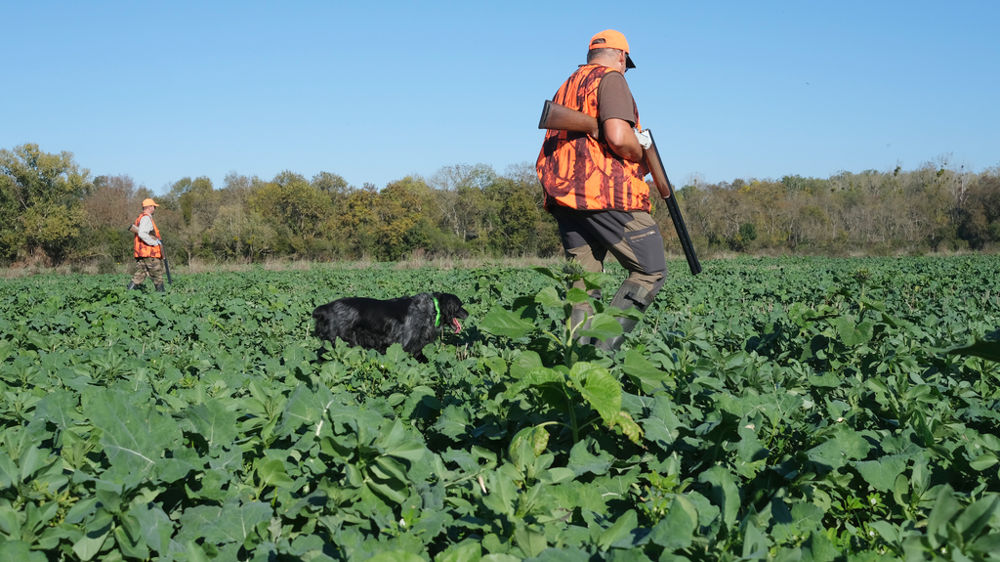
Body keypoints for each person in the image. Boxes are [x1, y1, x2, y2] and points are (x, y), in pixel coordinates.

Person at [536, 29, 666, 351]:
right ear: (622, 56)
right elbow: (619, 136)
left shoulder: (567, 86)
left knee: (583, 283)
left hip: (565, 196)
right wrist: (640, 155)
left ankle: (576, 361)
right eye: (625, 63)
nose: (624, 68)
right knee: (651, 269)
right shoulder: (611, 78)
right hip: (605, 194)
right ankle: (602, 352)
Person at [127, 198, 166, 292]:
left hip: (143, 253)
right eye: (154, 207)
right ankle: (163, 299)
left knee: (140, 275)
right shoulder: (146, 218)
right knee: (157, 276)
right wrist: (154, 242)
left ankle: (127, 294)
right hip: (149, 253)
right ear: (150, 207)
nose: (154, 209)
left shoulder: (141, 217)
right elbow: (142, 233)